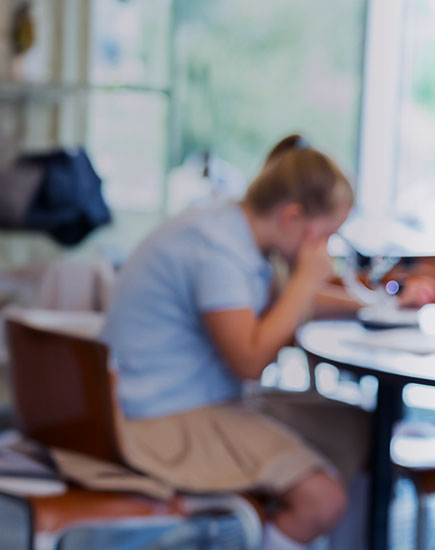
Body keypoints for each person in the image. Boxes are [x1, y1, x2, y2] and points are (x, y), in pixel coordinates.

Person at [100, 134, 364, 550]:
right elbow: (250, 360)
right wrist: (304, 281)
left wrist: (371, 304)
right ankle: (294, 524)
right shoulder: (217, 251)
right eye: (323, 236)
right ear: (292, 217)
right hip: (160, 419)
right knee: (323, 499)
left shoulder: (230, 229)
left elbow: (288, 303)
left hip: (190, 400)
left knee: (357, 429)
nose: (324, 251)